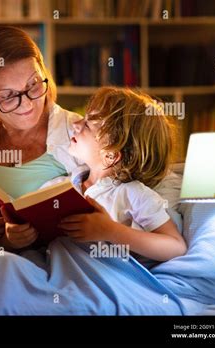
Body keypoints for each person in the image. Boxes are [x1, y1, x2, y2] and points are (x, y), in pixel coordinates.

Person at [0, 26, 181, 253]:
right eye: (8, 96)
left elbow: (157, 177)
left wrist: (117, 232)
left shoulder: (85, 135)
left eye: (33, 85)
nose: (26, 103)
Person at [57, 87, 187, 266]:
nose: (76, 124)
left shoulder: (132, 193)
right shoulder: (63, 185)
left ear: (110, 155)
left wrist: (110, 230)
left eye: (87, 124)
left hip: (98, 275)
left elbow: (175, 246)